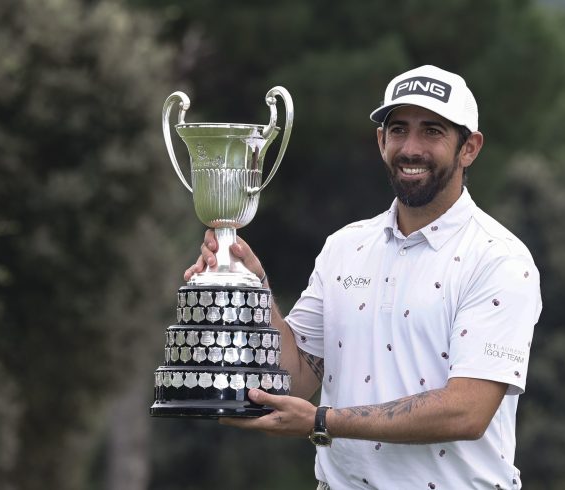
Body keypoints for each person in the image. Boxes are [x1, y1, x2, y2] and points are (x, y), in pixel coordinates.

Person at [184, 65, 542, 489]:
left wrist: (321, 421)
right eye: (398, 130)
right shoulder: (344, 247)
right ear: (380, 141)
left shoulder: (498, 258)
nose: (411, 148)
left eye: (432, 131)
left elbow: (467, 411)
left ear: (470, 148)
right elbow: (297, 377)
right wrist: (253, 290)